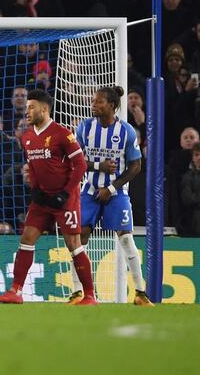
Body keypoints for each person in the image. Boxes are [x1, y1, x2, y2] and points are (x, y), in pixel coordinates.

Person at [0, 90, 96, 305]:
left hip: (65, 198)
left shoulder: (62, 133)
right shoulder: (27, 137)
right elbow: (34, 166)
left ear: (44, 109)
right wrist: (36, 189)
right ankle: (16, 291)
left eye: (32, 107)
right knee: (27, 239)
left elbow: (81, 165)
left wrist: (66, 193)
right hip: (42, 199)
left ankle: (89, 295)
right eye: (27, 107)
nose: (27, 111)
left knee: (73, 244)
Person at [74, 86, 152, 306]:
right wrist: (98, 165)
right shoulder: (84, 127)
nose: (94, 105)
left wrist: (112, 188)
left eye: (99, 102)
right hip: (89, 190)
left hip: (116, 193)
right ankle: (78, 293)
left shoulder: (126, 131)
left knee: (126, 238)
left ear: (112, 105)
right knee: (79, 237)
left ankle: (140, 293)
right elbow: (75, 160)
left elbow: (136, 166)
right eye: (93, 101)